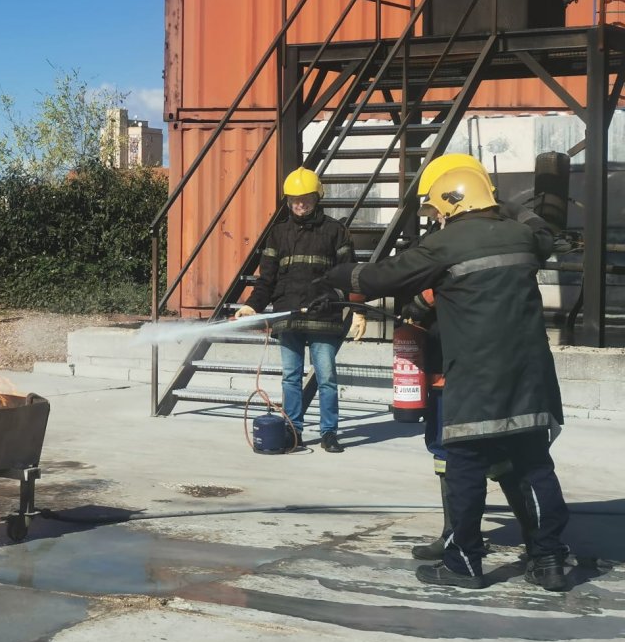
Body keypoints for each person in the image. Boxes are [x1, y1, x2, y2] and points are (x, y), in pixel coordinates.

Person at [325, 162, 569, 591]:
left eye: (438, 209)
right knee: (533, 465)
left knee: (465, 471)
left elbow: (378, 277)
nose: (437, 217)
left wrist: (333, 277)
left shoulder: (445, 243)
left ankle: (465, 564)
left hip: (476, 378)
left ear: (453, 202)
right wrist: (513, 206)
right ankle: (548, 560)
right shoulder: (522, 235)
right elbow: (546, 233)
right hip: (531, 376)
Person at [404, 154, 554, 562]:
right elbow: (415, 288)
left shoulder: (476, 237)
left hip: (470, 370)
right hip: (445, 362)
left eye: (435, 207)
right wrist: (420, 301)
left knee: (485, 461)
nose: (433, 216)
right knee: (450, 455)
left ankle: (476, 546)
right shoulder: (441, 239)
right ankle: (458, 533)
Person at [234, 167, 363, 453]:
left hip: (324, 316)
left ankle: (329, 432)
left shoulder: (335, 232)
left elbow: (349, 273)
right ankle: (295, 431)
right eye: (294, 199)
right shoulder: (278, 234)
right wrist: (251, 305)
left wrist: (358, 310)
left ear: (317, 198)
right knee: (290, 377)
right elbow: (266, 278)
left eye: (305, 199)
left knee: (326, 378)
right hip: (287, 316)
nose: (299, 204)